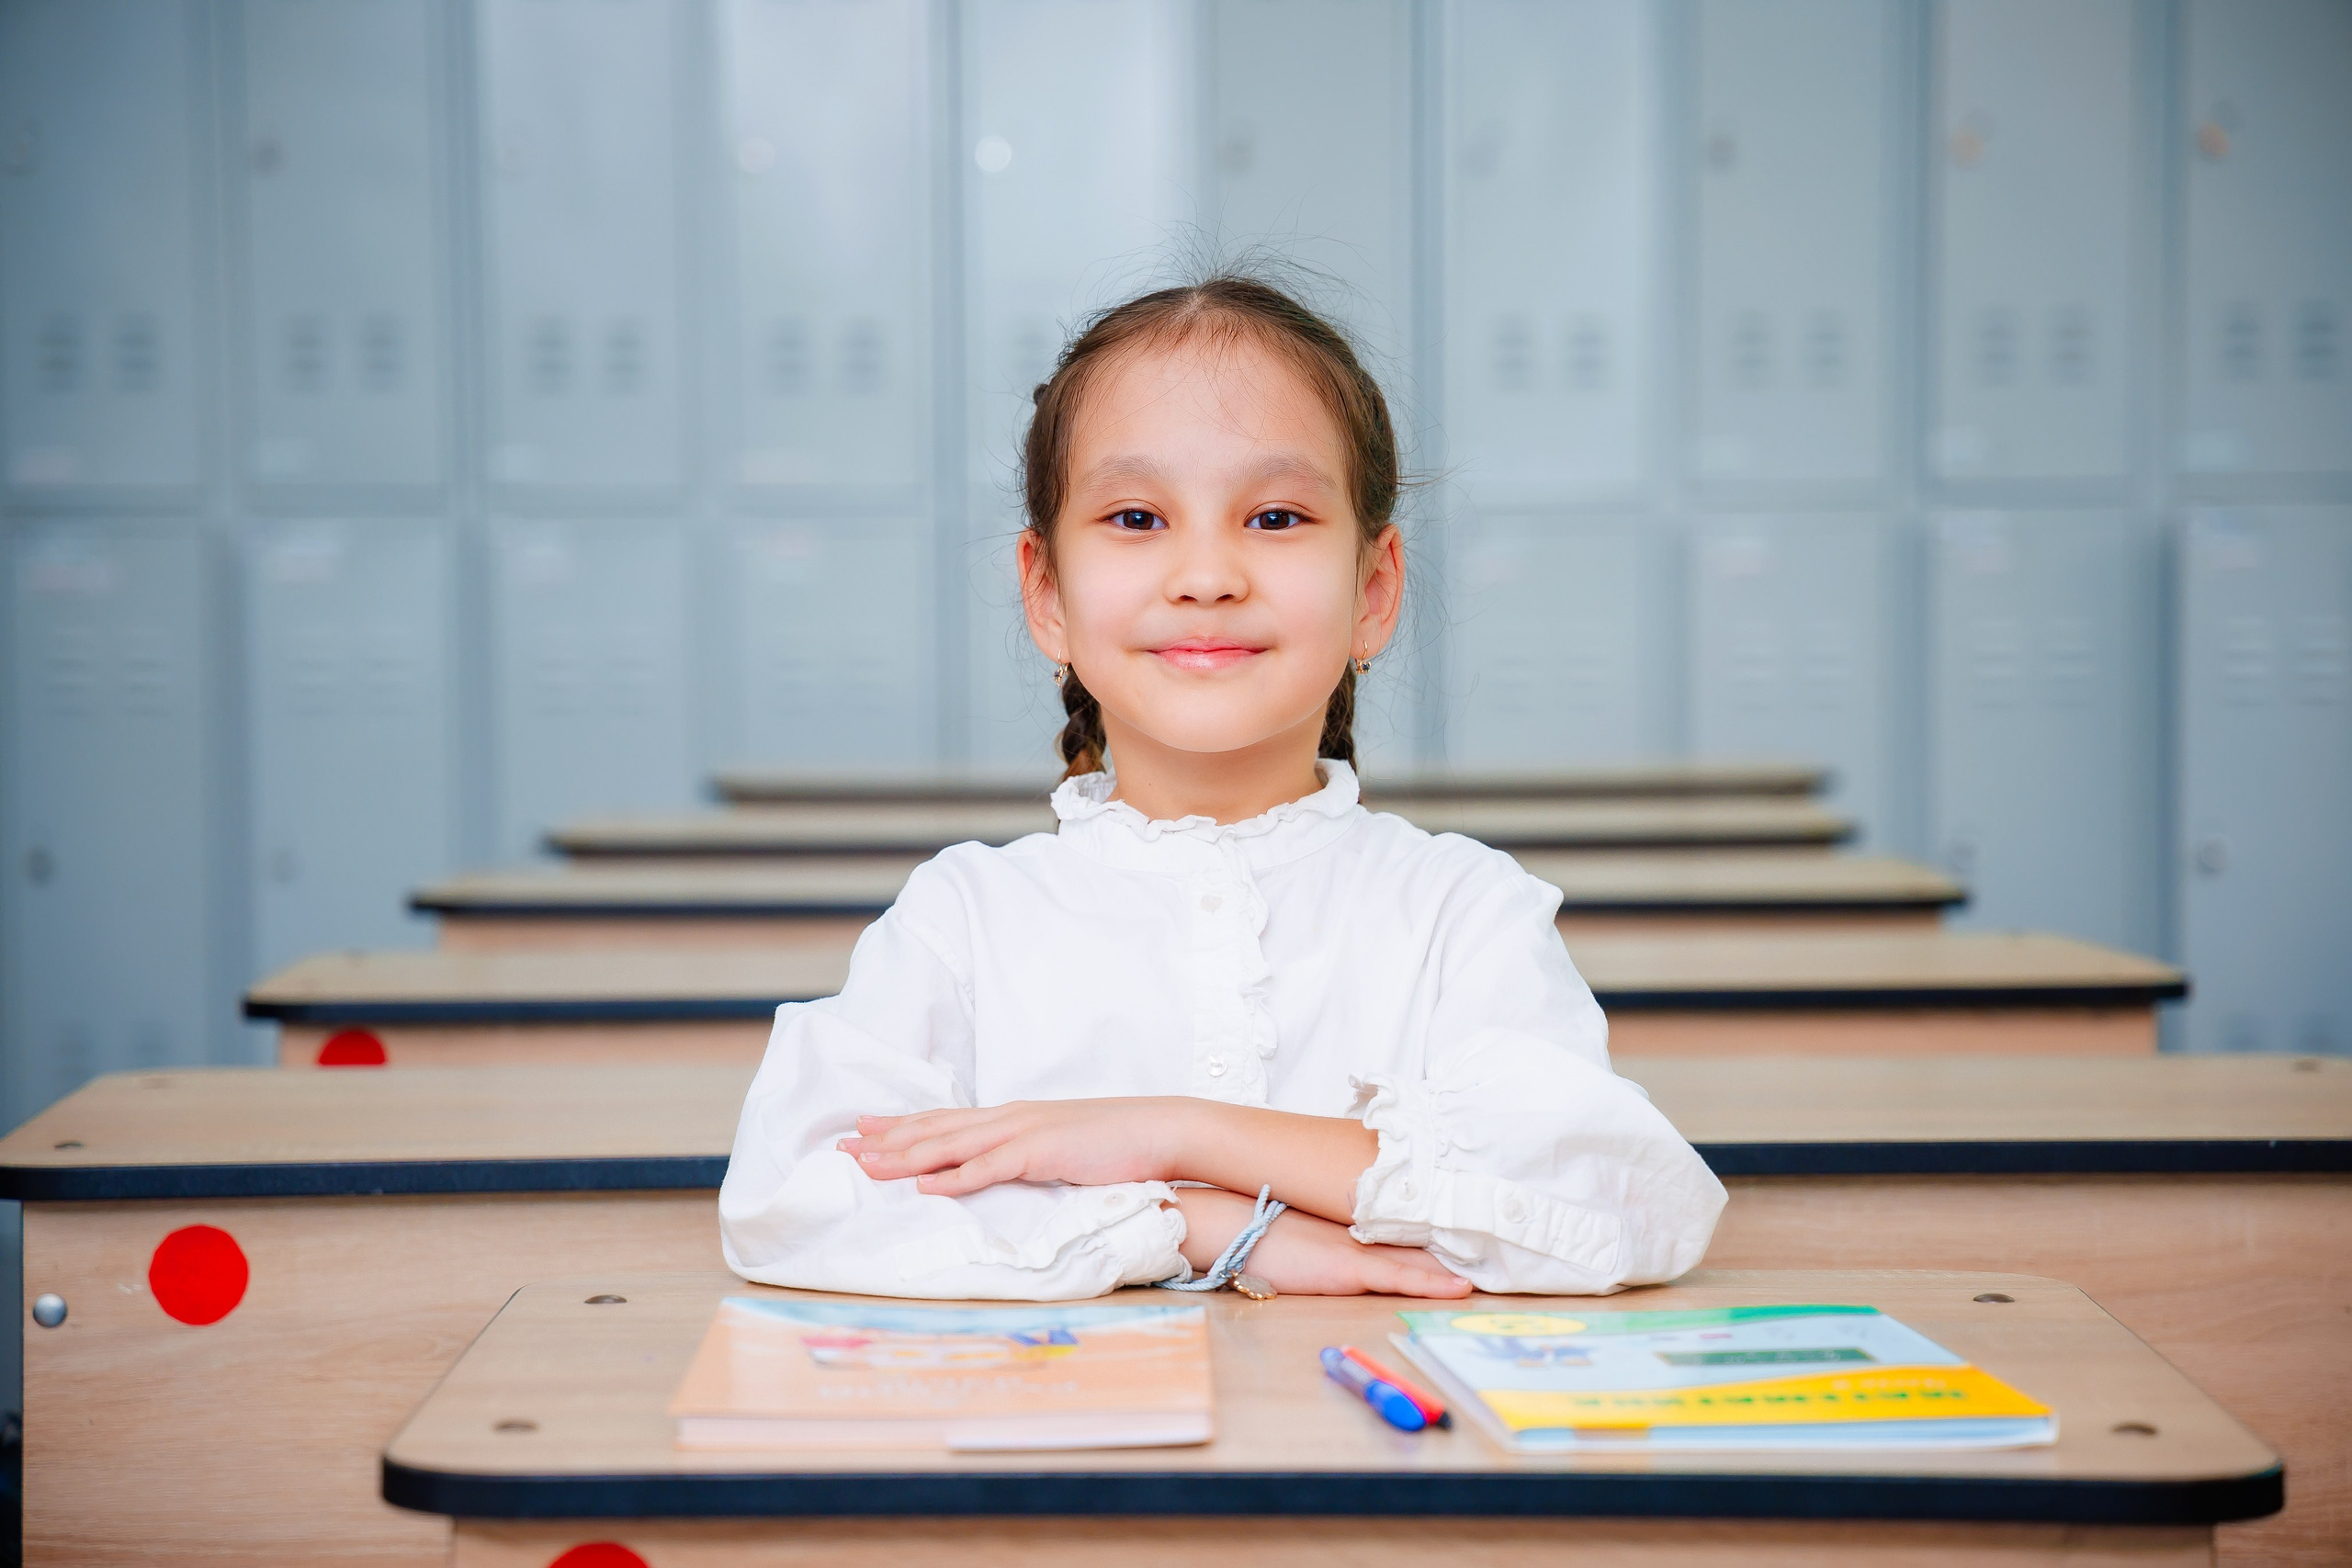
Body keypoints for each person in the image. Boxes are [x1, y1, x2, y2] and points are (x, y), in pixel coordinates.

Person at [719, 274, 1724, 1301]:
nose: (1206, 574)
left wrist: (1173, 1130)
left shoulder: (1461, 911)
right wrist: (1195, 1221)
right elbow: (794, 1201)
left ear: (1372, 593)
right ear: (1046, 594)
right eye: (1137, 516)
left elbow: (1615, 1205)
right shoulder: (966, 919)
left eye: (1277, 516)